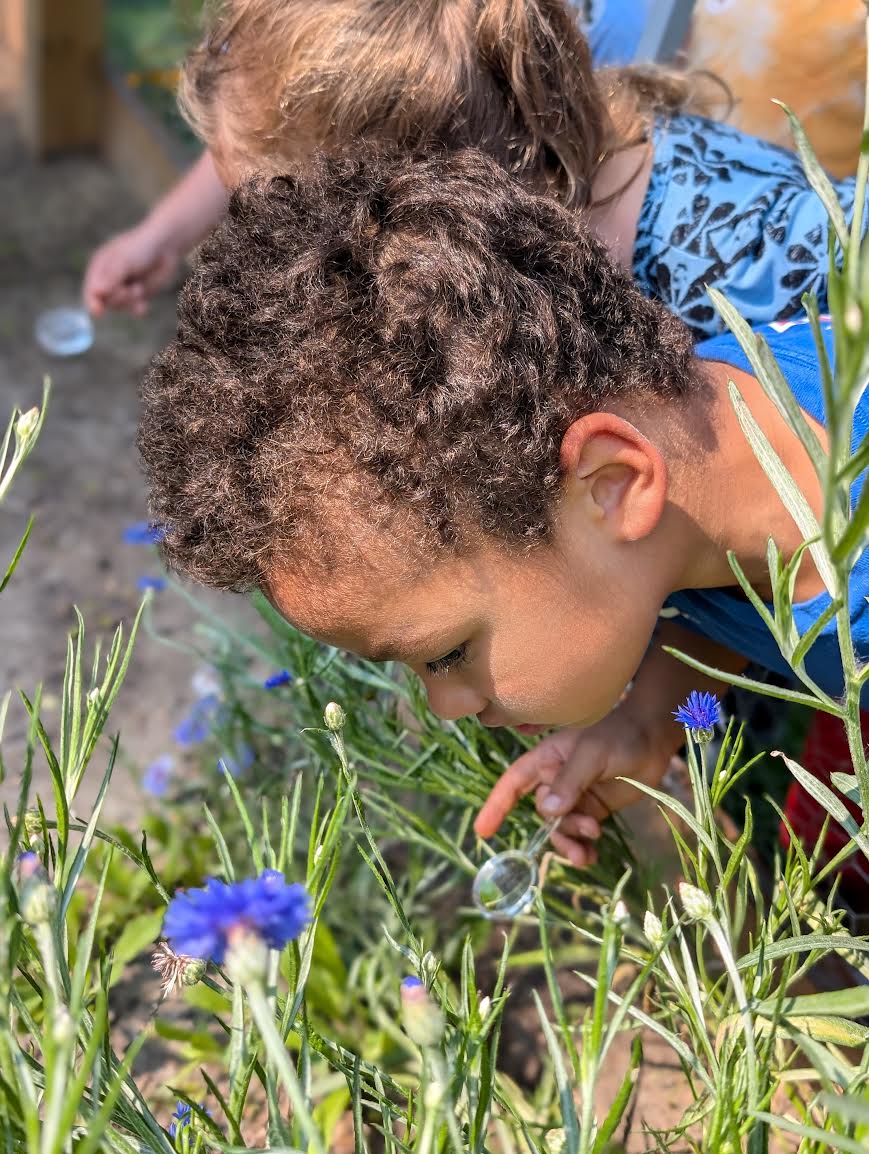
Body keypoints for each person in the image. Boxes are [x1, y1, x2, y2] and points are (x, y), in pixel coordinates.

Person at [137, 149, 867, 878]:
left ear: (612, 484)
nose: (445, 708)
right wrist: (649, 717)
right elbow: (735, 578)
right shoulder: (703, 452)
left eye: (446, 654)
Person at [84, 0, 863, 340]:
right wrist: (163, 232)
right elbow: (288, 136)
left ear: (413, 211)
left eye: (266, 211)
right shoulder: (531, 134)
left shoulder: (755, 275)